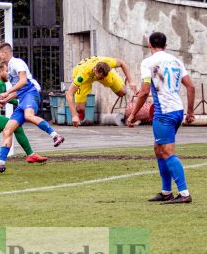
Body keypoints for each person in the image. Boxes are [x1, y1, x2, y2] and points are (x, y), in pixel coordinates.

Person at [126, 32, 196, 204]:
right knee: (159, 150)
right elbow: (191, 87)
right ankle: (166, 192)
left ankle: (184, 193)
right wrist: (190, 112)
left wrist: (133, 114)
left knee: (167, 151)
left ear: (149, 44)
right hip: (177, 111)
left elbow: (144, 91)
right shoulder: (176, 61)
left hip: (164, 112)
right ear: (165, 45)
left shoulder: (148, 62)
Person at [0, 42, 65, 175]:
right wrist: (6, 100)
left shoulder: (17, 63)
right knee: (7, 130)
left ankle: (56, 135)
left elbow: (24, 82)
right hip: (23, 97)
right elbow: (19, 89)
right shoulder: (9, 67)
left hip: (31, 93)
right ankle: (0, 164)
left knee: (28, 115)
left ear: (5, 52)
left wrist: (7, 92)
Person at [66, 56, 138, 128]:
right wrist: (74, 115)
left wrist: (131, 81)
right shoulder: (82, 75)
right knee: (79, 109)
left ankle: (112, 74)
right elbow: (69, 94)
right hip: (86, 79)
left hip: (103, 72)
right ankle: (79, 117)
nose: (102, 79)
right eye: (100, 77)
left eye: (103, 77)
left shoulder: (108, 62)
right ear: (95, 69)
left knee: (122, 92)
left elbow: (122, 63)